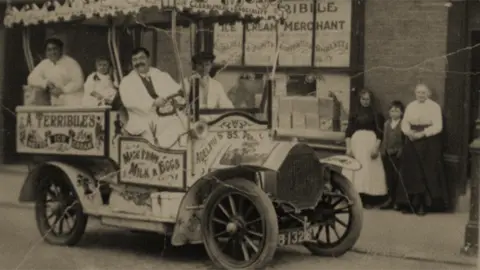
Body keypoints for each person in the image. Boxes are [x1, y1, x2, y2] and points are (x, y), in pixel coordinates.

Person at [119, 47, 186, 148]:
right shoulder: (127, 81)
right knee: (154, 132)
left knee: (181, 123)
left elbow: (176, 92)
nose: (138, 62)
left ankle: (172, 152)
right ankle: (160, 151)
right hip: (141, 117)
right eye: (135, 60)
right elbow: (129, 102)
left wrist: (177, 99)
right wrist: (153, 103)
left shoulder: (161, 75)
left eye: (141, 58)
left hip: (164, 114)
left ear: (148, 59)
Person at [399, 83, 449, 215]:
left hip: (429, 141)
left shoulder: (434, 107)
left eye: (423, 92)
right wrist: (408, 133)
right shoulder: (411, 106)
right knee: (412, 171)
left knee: (426, 170)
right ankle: (411, 203)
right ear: (415, 93)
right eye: (418, 92)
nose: (421, 95)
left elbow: (438, 126)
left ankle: (424, 204)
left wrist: (423, 134)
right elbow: (404, 123)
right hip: (412, 139)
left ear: (428, 94)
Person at [343, 89, 387, 208]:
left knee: (368, 169)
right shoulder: (354, 114)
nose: (365, 101)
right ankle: (356, 197)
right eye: (363, 99)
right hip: (356, 144)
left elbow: (379, 133)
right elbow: (348, 132)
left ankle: (369, 198)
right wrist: (349, 148)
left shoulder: (377, 115)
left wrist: (376, 148)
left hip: (370, 144)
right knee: (356, 170)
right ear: (359, 100)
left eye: (368, 99)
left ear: (371, 100)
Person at [27, 38, 84, 106]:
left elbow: (78, 81)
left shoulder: (71, 63)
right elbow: (31, 78)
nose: (52, 52)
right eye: (49, 50)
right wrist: (46, 83)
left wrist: (63, 90)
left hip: (72, 99)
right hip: (53, 100)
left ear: (61, 50)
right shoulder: (44, 63)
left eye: (55, 49)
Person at [380, 100, 405, 210]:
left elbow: (405, 140)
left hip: (398, 155)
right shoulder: (386, 124)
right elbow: (385, 138)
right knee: (389, 177)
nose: (394, 113)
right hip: (388, 155)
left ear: (401, 113)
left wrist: (401, 150)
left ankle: (397, 201)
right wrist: (384, 151)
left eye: (397, 111)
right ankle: (390, 199)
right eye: (392, 111)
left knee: (397, 178)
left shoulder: (403, 124)